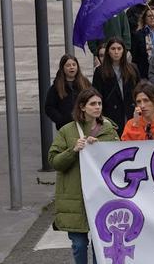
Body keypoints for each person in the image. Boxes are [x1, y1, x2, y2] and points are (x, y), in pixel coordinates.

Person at [48, 88, 119, 264]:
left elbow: (118, 158)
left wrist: (100, 146)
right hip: (75, 196)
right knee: (79, 244)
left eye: (99, 103)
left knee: (99, 244)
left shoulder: (108, 129)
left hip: (99, 196)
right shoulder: (67, 131)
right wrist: (73, 151)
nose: (97, 107)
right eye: (92, 104)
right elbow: (54, 161)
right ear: (82, 107)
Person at [92, 37, 139, 135]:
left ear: (124, 51)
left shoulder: (133, 68)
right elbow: (96, 95)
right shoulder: (100, 71)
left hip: (131, 110)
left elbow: (139, 90)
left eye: (119, 48)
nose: (116, 52)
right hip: (111, 113)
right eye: (113, 49)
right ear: (108, 51)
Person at [45, 54, 92, 131]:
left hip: (84, 124)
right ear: (62, 68)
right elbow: (49, 107)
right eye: (68, 65)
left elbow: (93, 99)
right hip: (65, 127)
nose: (72, 67)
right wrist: (61, 119)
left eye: (74, 64)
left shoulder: (85, 83)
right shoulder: (56, 87)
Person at [131, 7, 154, 79]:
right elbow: (135, 56)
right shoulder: (138, 35)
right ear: (145, 19)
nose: (152, 18)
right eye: (149, 16)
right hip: (145, 71)